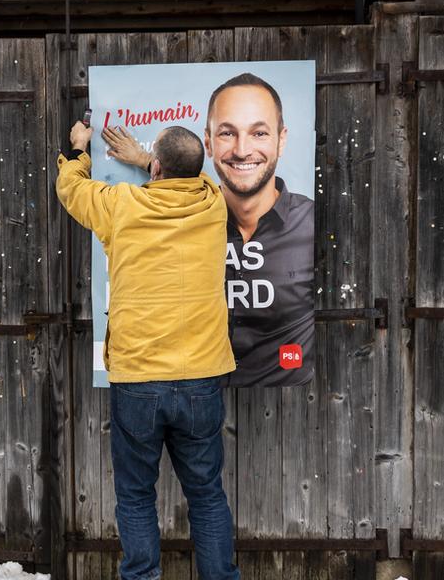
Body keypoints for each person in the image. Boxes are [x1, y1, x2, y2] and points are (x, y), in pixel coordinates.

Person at [57, 120, 241, 580]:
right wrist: (148, 160)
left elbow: (71, 189)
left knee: (137, 496)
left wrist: (79, 149)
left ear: (156, 167)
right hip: (202, 378)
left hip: (138, 379)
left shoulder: (120, 205)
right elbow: (199, 176)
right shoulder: (214, 204)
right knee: (207, 494)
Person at [104, 72, 315, 387]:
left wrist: (149, 162)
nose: (242, 150)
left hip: (268, 390)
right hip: (197, 381)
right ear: (208, 142)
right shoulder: (203, 208)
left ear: (281, 139)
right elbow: (176, 188)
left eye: (259, 133)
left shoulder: (308, 220)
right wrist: (148, 161)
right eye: (228, 133)